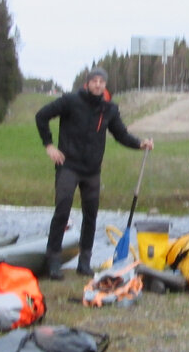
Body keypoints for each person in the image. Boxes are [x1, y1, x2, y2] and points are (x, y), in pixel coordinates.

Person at [35, 67, 154, 280]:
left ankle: (85, 263)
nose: (98, 84)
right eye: (94, 81)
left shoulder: (109, 109)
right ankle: (53, 262)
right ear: (87, 83)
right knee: (62, 211)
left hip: (92, 170)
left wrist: (139, 143)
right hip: (68, 166)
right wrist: (49, 146)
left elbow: (121, 134)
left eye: (101, 81)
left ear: (105, 85)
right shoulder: (71, 101)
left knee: (91, 215)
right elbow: (41, 116)